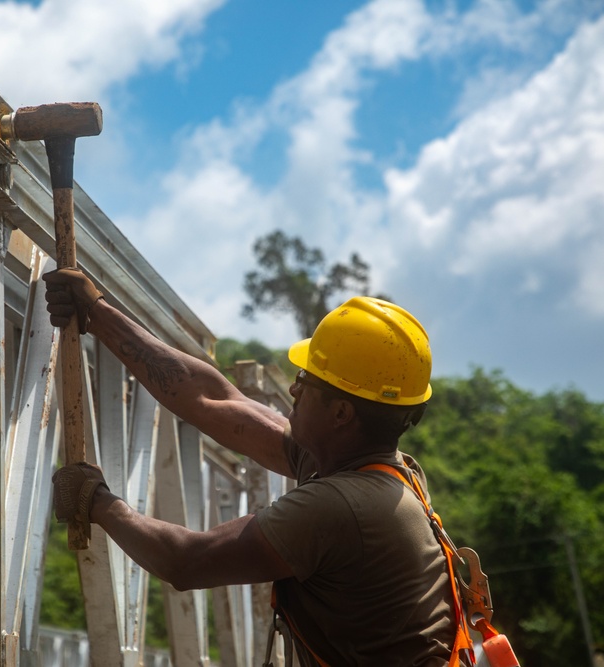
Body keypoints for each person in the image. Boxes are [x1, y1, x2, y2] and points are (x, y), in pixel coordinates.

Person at [44, 268, 456, 666]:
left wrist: (95, 500)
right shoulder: (373, 469)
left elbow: (186, 560)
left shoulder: (339, 507)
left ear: (342, 412)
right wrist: (98, 314)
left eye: (306, 379)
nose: (293, 388)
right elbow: (213, 399)